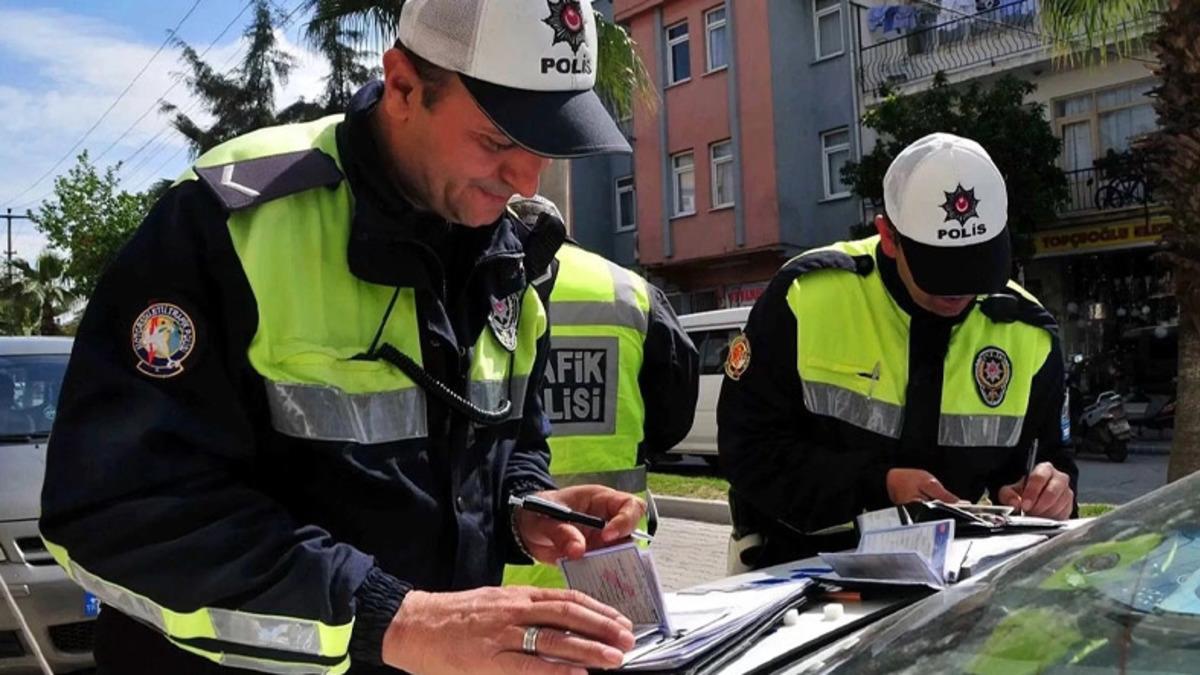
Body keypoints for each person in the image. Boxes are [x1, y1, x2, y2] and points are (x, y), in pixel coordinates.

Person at [38, 2, 649, 673]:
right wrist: (396, 618)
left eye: (547, 144)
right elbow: (116, 510)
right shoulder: (230, 222)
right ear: (403, 86)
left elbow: (506, 441)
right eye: (498, 140)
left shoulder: (510, 252)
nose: (526, 179)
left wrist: (523, 507)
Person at [718, 133, 1078, 571]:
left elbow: (1049, 461)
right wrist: (879, 485)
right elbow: (746, 450)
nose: (960, 290)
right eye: (941, 268)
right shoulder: (805, 297)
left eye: (977, 264)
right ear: (888, 235)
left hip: (950, 575)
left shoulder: (1028, 332)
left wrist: (1049, 492)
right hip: (798, 566)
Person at [503, 195, 700, 588]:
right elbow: (674, 415)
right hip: (609, 559)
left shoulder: (483, 285)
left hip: (503, 569)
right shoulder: (631, 290)